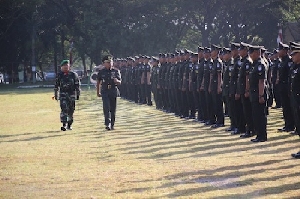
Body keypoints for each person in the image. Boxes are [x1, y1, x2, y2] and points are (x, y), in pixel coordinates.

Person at [96, 55, 122, 130]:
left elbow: (120, 82)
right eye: (108, 62)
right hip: (105, 91)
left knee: (113, 109)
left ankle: (112, 124)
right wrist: (98, 92)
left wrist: (117, 81)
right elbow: (98, 82)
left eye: (111, 62)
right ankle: (108, 123)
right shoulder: (101, 72)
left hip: (113, 91)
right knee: (106, 107)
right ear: (104, 63)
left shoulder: (116, 71)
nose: (110, 63)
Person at [54, 59, 80, 131]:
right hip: (63, 94)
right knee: (64, 109)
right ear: (61, 67)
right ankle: (64, 124)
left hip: (71, 94)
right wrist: (56, 94)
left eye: (67, 65)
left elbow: (77, 85)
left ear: (69, 66)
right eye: (64, 66)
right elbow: (56, 85)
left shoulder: (73, 74)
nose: (65, 67)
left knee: (71, 110)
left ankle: (69, 124)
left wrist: (78, 94)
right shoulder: (59, 75)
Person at [248, 45, 267, 142]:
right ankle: (259, 135)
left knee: (260, 115)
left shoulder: (260, 65)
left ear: (256, 53)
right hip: (254, 93)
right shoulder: (254, 64)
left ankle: (262, 136)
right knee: (255, 115)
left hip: (258, 93)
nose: (250, 55)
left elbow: (261, 81)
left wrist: (261, 95)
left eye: (251, 53)